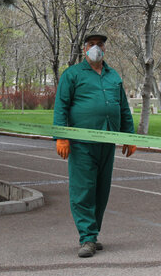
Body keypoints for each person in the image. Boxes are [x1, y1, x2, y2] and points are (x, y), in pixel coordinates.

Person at [53, 33, 137, 258]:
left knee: (102, 190)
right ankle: (87, 237)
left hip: (107, 141)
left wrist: (130, 136)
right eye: (91, 45)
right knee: (83, 191)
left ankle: (92, 233)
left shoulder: (113, 76)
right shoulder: (72, 75)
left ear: (105, 50)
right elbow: (61, 106)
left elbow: (123, 108)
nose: (96, 48)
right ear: (84, 49)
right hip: (82, 144)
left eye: (100, 45)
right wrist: (61, 136)